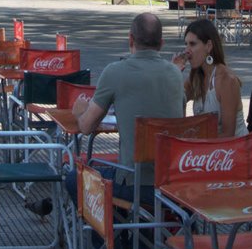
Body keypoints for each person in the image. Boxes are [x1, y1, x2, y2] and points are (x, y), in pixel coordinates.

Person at [76, 11, 186, 205]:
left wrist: (79, 111)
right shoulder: (176, 75)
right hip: (171, 183)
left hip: (132, 181)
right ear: (161, 43)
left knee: (73, 178)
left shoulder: (115, 72)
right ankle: (131, 229)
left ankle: (111, 233)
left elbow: (86, 128)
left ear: (130, 39)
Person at [178, 17, 242, 136]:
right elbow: (174, 110)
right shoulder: (196, 77)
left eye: (192, 44)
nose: (187, 51)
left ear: (208, 46)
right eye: (186, 44)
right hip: (207, 150)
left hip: (232, 151)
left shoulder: (226, 80)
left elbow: (228, 135)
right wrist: (174, 73)